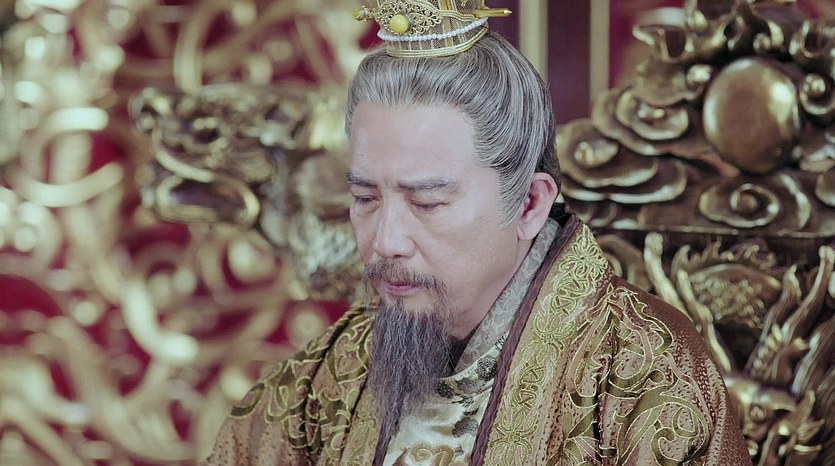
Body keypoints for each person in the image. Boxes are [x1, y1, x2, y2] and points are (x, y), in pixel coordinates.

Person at [201, 1, 752, 465]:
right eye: (365, 198)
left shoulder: (645, 380)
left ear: (530, 204)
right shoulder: (327, 380)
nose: (385, 241)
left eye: (427, 202)